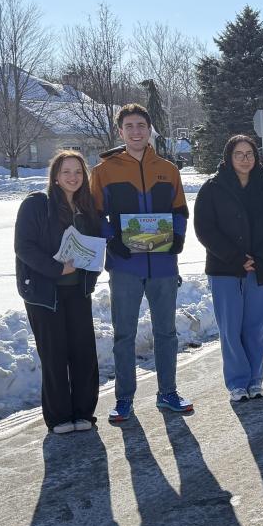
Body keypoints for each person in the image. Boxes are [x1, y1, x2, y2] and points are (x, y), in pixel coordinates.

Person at [90, 103, 192, 423]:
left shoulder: (168, 169)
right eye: (129, 126)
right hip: (125, 266)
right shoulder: (104, 171)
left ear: (149, 130)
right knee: (124, 334)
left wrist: (178, 237)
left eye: (141, 126)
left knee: (167, 333)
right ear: (120, 131)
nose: (136, 131)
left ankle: (168, 392)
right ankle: (124, 399)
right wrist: (112, 239)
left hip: (163, 265)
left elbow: (180, 211)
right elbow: (94, 215)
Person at [14, 151, 102, 434]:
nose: (73, 177)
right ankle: (59, 417)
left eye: (78, 172)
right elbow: (24, 247)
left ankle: (83, 413)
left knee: (83, 352)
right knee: (54, 355)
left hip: (78, 291)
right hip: (44, 294)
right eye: (66, 172)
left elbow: (95, 244)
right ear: (55, 176)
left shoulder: (86, 207)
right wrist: (56, 268)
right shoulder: (36, 205)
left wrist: (93, 268)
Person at [195, 135, 263, 402]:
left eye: (249, 154)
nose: (245, 159)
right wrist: (235, 257)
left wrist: (260, 258)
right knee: (230, 328)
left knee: (256, 327)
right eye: (239, 154)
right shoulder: (212, 188)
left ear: (256, 158)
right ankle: (237, 382)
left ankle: (255, 380)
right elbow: (205, 229)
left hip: (259, 268)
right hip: (224, 269)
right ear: (228, 158)